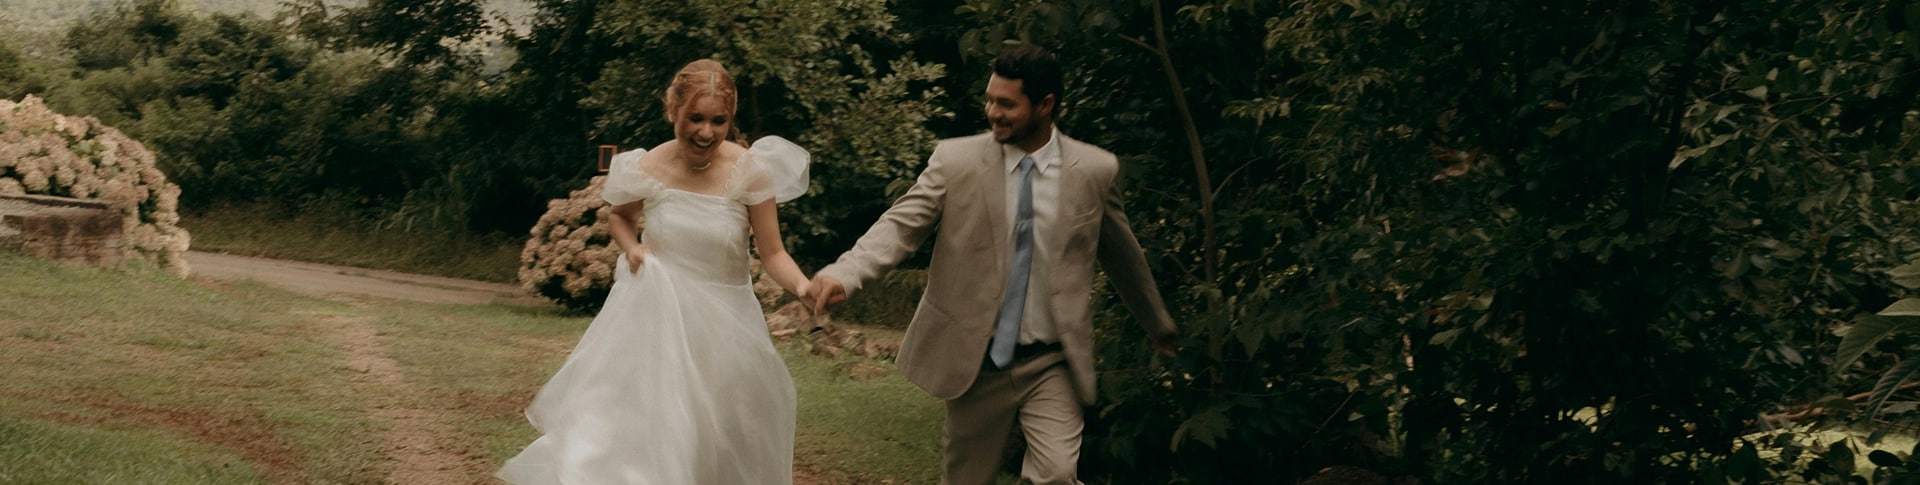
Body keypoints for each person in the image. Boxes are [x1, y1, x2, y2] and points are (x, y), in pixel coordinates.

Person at [808, 45, 1178, 485]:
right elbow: (900, 226)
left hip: (1053, 360)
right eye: (989, 100)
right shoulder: (955, 161)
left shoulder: (1095, 170)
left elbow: (1123, 255)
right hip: (977, 363)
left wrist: (1157, 323)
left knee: (1058, 475)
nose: (992, 112)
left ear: (1045, 105)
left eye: (1006, 104)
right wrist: (845, 274)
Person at [498, 59, 813, 485]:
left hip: (725, 329)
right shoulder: (646, 166)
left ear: (731, 118)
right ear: (673, 110)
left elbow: (773, 253)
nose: (706, 132)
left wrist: (803, 286)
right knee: (647, 430)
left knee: (720, 435)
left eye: (718, 121)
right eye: (695, 118)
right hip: (656, 321)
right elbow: (620, 216)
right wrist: (632, 249)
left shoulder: (750, 172)